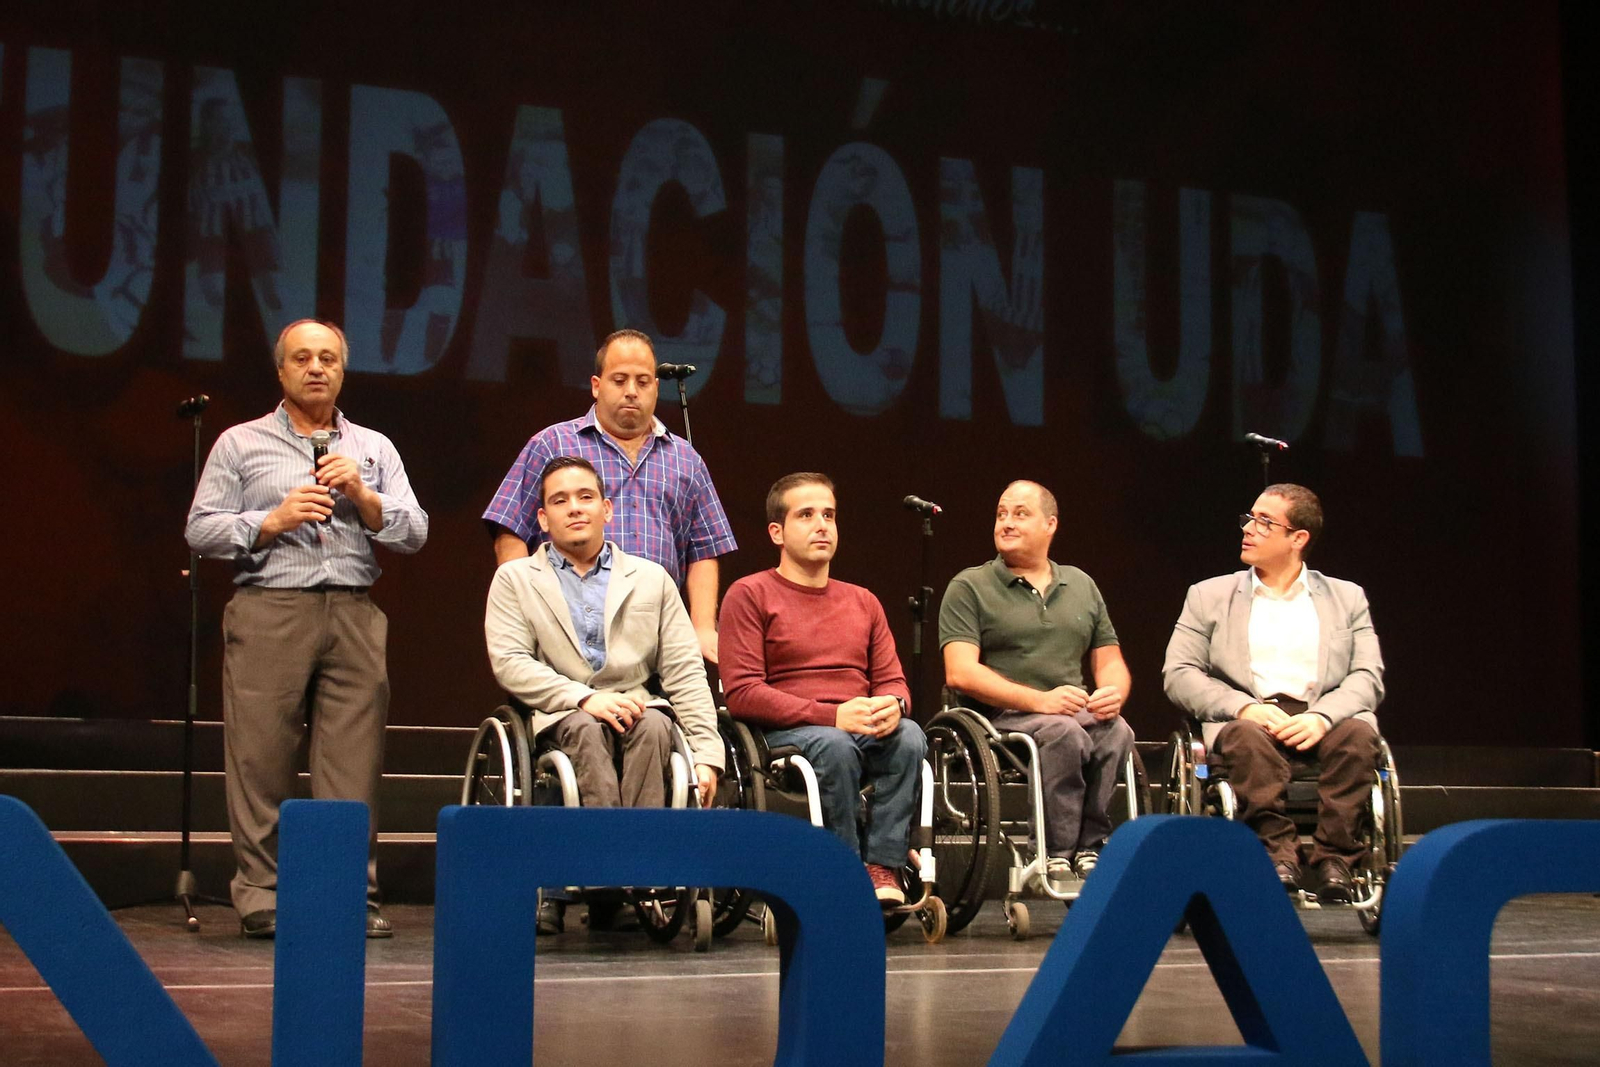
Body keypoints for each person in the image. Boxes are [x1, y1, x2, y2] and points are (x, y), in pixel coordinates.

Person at [186, 318, 428, 939]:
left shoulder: (373, 448)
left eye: (328, 358)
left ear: (342, 370)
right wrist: (269, 521)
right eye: (303, 358)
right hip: (271, 608)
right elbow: (201, 529)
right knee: (260, 760)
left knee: (352, 767)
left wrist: (366, 498)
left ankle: (349, 893)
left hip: (353, 610)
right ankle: (263, 892)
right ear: (282, 371)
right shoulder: (240, 444)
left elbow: (415, 531)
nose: (316, 367)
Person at [484, 456, 725, 933]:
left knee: (657, 723)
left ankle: (641, 866)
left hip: (638, 705)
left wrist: (707, 753)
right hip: (562, 712)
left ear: (607, 509)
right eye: (560, 500)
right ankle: (604, 864)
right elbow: (511, 662)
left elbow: (683, 671)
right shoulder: (514, 580)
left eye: (585, 497)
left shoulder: (652, 578)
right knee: (587, 729)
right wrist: (581, 697)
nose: (575, 508)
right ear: (542, 519)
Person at [1163, 483, 1385, 903]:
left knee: (1359, 737)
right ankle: (1278, 852)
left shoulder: (1346, 597)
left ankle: (1335, 858)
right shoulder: (1209, 594)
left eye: (1265, 522)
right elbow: (1179, 672)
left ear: (1298, 538)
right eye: (1249, 518)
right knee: (1246, 740)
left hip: (1321, 717)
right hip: (1248, 719)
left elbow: (1367, 674)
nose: (1249, 529)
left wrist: (1323, 717)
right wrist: (1243, 707)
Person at [719, 473, 925, 907]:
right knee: (833, 745)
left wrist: (895, 703)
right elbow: (743, 693)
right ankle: (845, 867)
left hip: (856, 726)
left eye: (829, 515)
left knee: (909, 735)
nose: (822, 525)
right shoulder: (750, 594)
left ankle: (882, 864)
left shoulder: (863, 601)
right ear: (776, 531)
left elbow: (892, 680)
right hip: (788, 733)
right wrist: (830, 715)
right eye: (807, 515)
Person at [482, 329, 736, 662]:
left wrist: (703, 627)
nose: (631, 391)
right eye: (619, 380)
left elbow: (704, 549)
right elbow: (511, 528)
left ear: (656, 389)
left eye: (643, 382)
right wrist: (524, 608)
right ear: (596, 386)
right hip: (568, 625)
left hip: (658, 631)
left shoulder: (685, 459)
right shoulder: (552, 445)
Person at [939, 480, 1134, 882]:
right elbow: (960, 671)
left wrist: (1112, 694)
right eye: (1001, 514)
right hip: (998, 717)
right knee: (1064, 732)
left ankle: (1090, 846)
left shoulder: (1080, 585)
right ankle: (1054, 853)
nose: (1006, 523)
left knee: (1116, 731)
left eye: (1020, 514)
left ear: (1050, 524)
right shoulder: (970, 586)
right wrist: (1038, 701)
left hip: (1067, 711)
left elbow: (1109, 660)